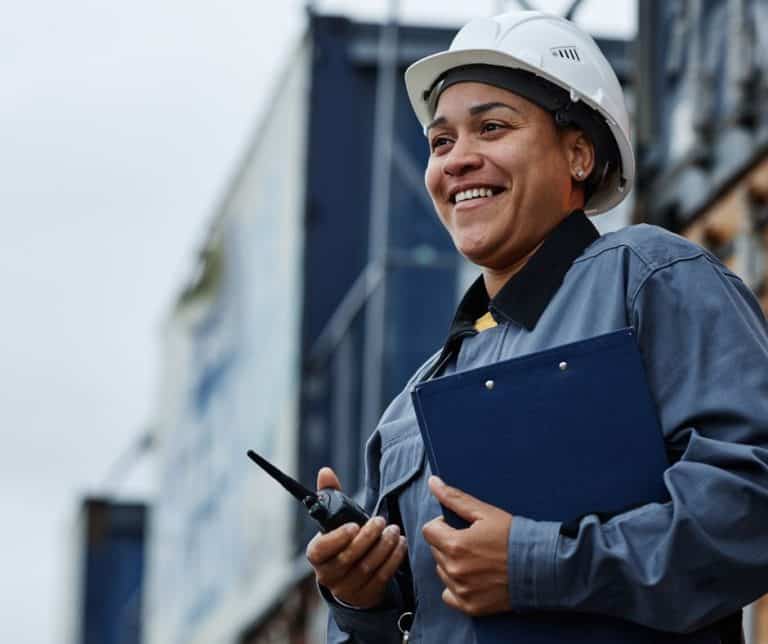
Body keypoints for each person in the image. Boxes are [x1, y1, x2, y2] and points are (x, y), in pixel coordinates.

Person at [305, 10, 768, 644]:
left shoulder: (648, 281)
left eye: (491, 128)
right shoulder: (406, 413)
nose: (458, 161)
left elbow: (752, 503)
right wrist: (363, 602)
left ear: (578, 154)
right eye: (441, 143)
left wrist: (535, 565)